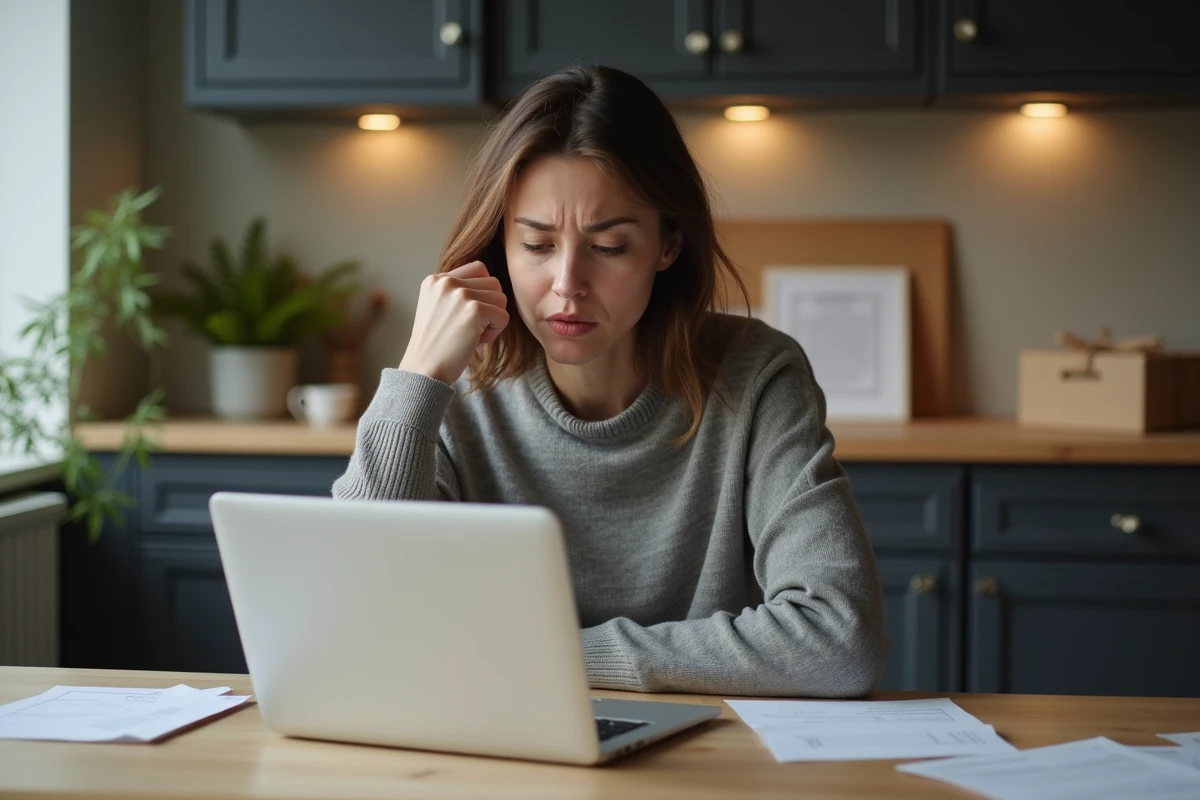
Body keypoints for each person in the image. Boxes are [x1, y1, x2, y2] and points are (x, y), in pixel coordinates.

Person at [333, 65, 888, 697]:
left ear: (668, 245)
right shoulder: (450, 393)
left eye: (610, 247)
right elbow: (359, 613)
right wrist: (417, 378)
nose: (568, 284)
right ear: (499, 250)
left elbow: (840, 641)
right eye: (537, 246)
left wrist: (553, 659)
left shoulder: (758, 376)